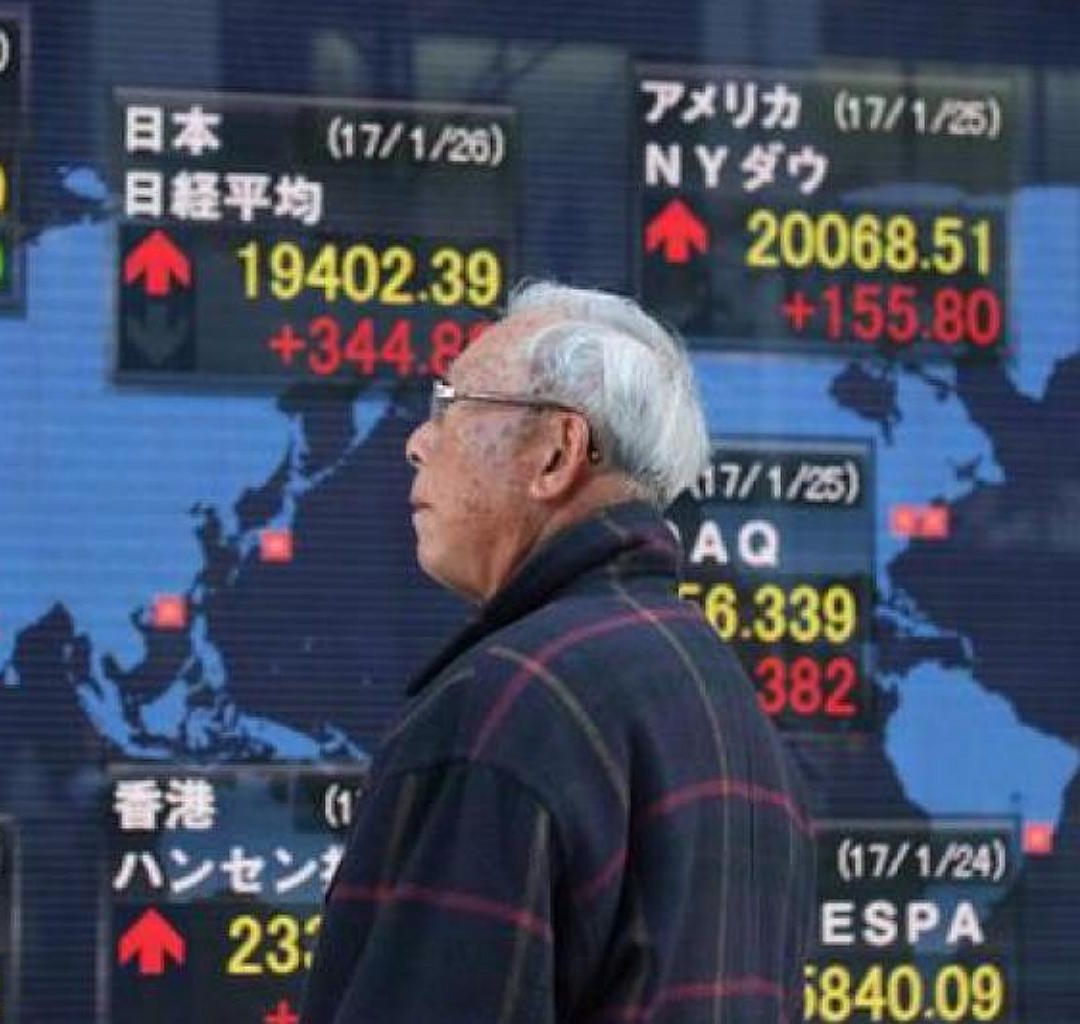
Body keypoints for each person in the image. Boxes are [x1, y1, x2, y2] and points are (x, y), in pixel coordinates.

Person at [298, 282, 815, 1023]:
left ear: (557, 452)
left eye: (453, 405)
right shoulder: (725, 697)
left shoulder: (508, 702)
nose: (418, 442)